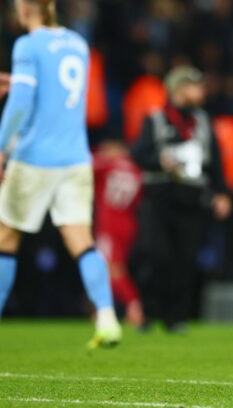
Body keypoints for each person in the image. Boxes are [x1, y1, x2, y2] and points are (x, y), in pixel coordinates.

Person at [0, 0, 121, 349]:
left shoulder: (28, 45)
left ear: (25, 9)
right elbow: (62, 90)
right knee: (81, 240)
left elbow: (22, 104)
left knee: (5, 236)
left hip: (35, 158)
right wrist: (19, 80)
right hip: (75, 158)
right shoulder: (78, 43)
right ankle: (108, 320)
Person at [131, 65, 231, 333]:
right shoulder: (155, 120)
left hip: (191, 198)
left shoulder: (203, 121)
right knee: (156, 255)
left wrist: (222, 193)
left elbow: (215, 161)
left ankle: (176, 317)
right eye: (195, 86)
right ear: (179, 89)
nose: (201, 91)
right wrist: (160, 161)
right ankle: (148, 312)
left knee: (185, 259)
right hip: (159, 197)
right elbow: (137, 154)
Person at [92, 138, 145, 329]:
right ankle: (101, 309)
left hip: (109, 225)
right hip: (129, 223)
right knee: (110, 267)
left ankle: (134, 306)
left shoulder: (107, 165)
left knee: (112, 269)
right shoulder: (136, 169)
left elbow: (85, 165)